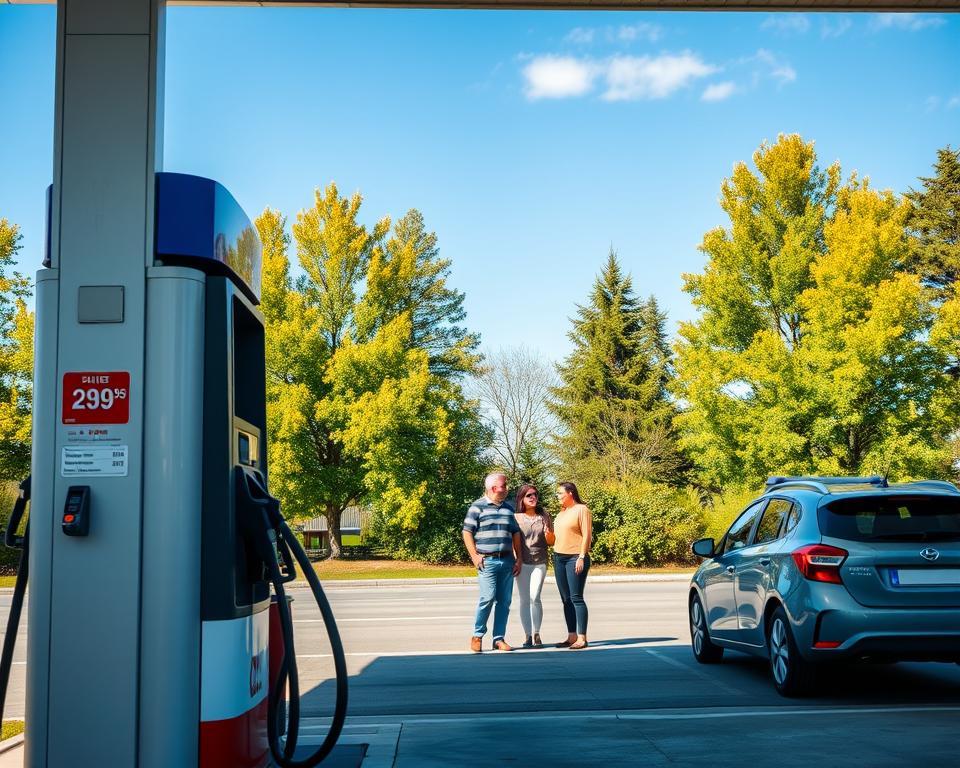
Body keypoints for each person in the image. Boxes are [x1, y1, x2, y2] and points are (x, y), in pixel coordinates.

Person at [462, 472, 521, 652]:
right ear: (494, 488)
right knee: (487, 598)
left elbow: (515, 533)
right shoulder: (477, 507)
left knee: (504, 601)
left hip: (507, 560)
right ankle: (477, 635)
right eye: (505, 485)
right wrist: (474, 555)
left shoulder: (509, 508)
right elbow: (467, 532)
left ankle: (498, 639)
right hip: (487, 561)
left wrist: (519, 559)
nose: (507, 488)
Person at [513, 484, 555, 648]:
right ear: (522, 498)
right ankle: (527, 636)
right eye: (529, 495)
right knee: (524, 599)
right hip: (522, 562)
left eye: (535, 495)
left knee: (534, 597)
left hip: (540, 561)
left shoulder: (544, 515)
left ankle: (537, 634)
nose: (533, 497)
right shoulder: (516, 517)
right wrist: (516, 560)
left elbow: (552, 542)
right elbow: (512, 542)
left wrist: (548, 532)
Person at [553, 481, 592, 650]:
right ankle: (571, 636)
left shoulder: (582, 509)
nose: (558, 496)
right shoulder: (562, 513)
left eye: (560, 493)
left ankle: (582, 638)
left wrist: (581, 557)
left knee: (576, 597)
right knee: (566, 599)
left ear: (570, 493)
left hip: (575, 557)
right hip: (558, 558)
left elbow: (587, 535)